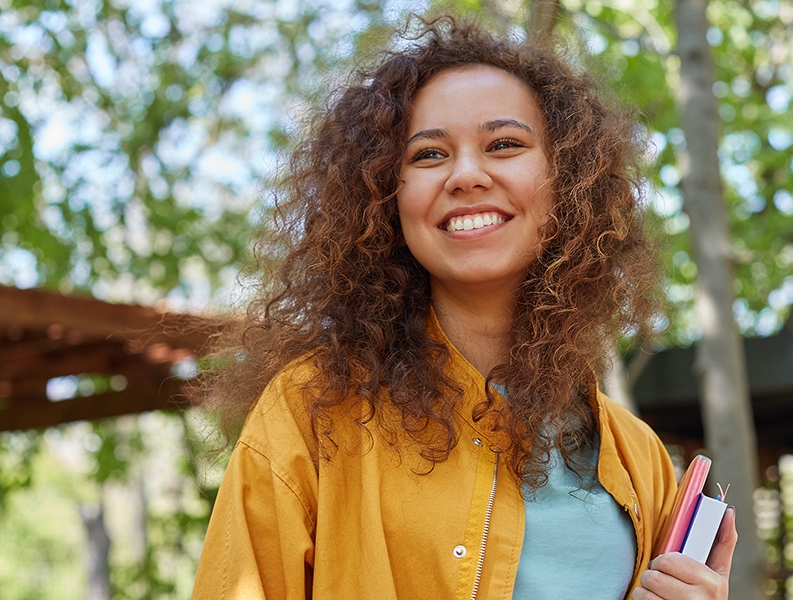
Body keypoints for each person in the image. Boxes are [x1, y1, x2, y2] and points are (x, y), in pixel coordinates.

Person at [191, 15, 737, 600]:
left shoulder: (638, 456)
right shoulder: (309, 415)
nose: (467, 175)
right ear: (384, 196)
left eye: (503, 144)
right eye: (428, 154)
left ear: (567, 180)